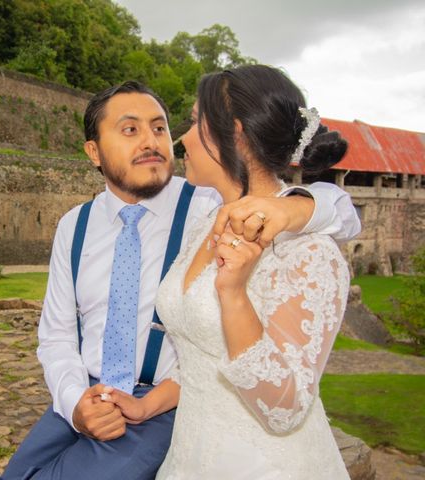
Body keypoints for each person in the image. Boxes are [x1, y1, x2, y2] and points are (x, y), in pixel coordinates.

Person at [0, 79, 360, 480]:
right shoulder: (74, 226)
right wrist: (74, 400)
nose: (155, 141)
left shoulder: (205, 203)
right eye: (130, 129)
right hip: (90, 389)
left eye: (160, 127)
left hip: (163, 404)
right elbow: (57, 334)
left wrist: (297, 208)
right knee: (19, 471)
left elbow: (338, 211)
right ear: (93, 152)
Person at [101, 66, 353, 479]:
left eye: (197, 121)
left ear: (233, 133)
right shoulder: (206, 224)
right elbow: (204, 349)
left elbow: (283, 408)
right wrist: (148, 405)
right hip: (190, 457)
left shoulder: (307, 251)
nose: (181, 137)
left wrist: (234, 294)